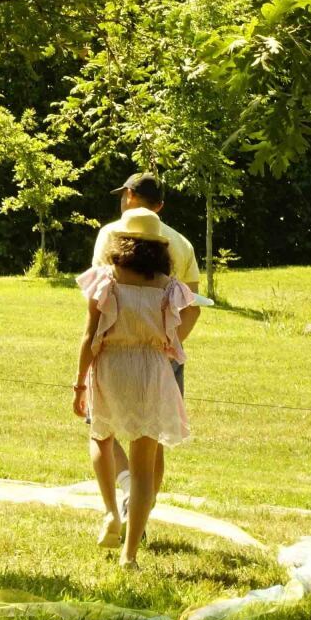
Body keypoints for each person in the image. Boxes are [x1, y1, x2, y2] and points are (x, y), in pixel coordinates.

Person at [73, 208, 200, 569]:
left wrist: (79, 383)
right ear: (159, 246)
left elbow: (89, 337)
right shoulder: (168, 286)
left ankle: (111, 512)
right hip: (152, 370)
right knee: (144, 466)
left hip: (111, 366)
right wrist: (169, 340)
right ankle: (129, 555)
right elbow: (192, 312)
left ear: (121, 241)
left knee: (101, 437)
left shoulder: (106, 280)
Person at [87, 172, 203, 510]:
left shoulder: (111, 234)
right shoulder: (181, 243)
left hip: (116, 350)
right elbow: (192, 305)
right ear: (160, 206)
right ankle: (140, 516)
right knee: (154, 441)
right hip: (163, 353)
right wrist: (169, 344)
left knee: (101, 428)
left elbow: (100, 297)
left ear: (129, 196)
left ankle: (125, 491)